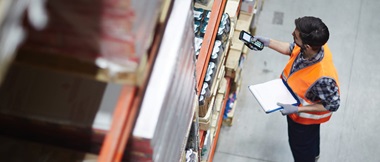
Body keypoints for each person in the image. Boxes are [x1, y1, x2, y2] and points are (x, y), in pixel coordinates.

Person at [253, 16, 340, 162]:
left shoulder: (323, 77)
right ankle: (315, 155)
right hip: (299, 113)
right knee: (312, 139)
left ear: (306, 46)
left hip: (302, 122)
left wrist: (297, 110)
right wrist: (268, 42)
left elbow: (333, 104)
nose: (292, 35)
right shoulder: (315, 46)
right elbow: (291, 48)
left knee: (301, 150)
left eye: (296, 36)